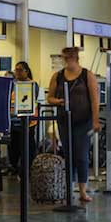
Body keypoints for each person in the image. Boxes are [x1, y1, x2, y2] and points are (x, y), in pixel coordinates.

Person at [47, 47, 101, 202]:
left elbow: (94, 100)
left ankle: (83, 189)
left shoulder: (87, 75)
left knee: (81, 155)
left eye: (70, 57)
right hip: (64, 121)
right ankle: (69, 188)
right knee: (68, 155)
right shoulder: (57, 76)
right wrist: (58, 101)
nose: (67, 60)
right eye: (65, 57)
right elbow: (49, 97)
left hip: (83, 121)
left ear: (75, 58)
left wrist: (96, 120)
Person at [8, 61, 36, 176]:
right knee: (13, 146)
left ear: (26, 71)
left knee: (26, 146)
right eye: (16, 70)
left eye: (20, 70)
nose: (17, 72)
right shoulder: (13, 84)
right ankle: (13, 166)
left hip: (28, 122)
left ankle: (27, 168)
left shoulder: (32, 84)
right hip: (14, 121)